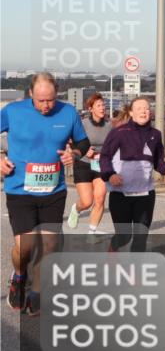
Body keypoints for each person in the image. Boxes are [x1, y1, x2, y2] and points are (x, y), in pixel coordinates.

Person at [1, 73, 90, 316]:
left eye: (50, 100)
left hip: (54, 190)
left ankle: (37, 292)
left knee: (50, 244)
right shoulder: (12, 111)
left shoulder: (69, 112)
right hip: (20, 190)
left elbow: (83, 142)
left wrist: (76, 155)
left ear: (57, 92)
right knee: (25, 245)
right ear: (30, 93)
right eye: (40, 101)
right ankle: (19, 276)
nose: (45, 106)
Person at [100, 97, 165, 252]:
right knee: (124, 236)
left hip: (145, 194)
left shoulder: (155, 134)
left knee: (141, 238)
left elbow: (158, 160)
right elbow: (105, 157)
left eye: (147, 108)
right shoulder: (119, 133)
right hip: (121, 193)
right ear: (131, 113)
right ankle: (112, 251)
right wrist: (110, 175)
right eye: (139, 108)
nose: (143, 111)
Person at [68, 93, 112, 241]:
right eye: (99, 105)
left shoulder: (109, 126)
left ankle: (91, 233)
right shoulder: (83, 124)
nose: (102, 108)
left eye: (103, 105)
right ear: (91, 108)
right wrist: (86, 150)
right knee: (87, 201)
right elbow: (72, 143)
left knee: (100, 199)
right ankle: (77, 209)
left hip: (100, 165)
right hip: (83, 164)